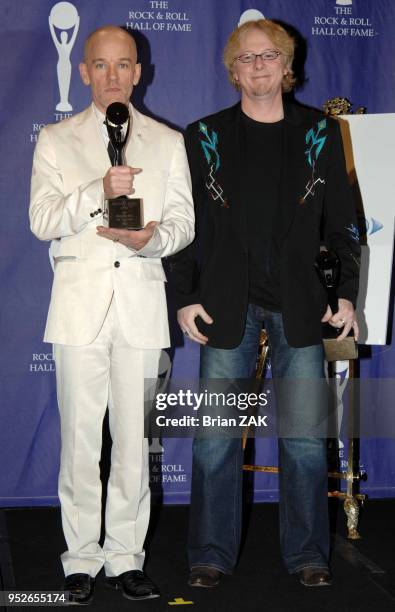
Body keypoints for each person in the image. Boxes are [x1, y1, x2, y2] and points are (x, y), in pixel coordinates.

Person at [168, 19, 360, 588]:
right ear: (232, 70)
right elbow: (184, 226)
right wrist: (184, 296)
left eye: (268, 56)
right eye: (246, 58)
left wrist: (344, 290)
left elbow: (345, 224)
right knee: (214, 443)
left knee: (303, 441)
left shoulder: (321, 134)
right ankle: (208, 554)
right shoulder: (203, 137)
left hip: (303, 306)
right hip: (228, 306)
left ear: (286, 65)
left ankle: (308, 557)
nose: (258, 66)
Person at [30, 25, 194, 605]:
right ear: (83, 72)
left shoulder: (168, 142)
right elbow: (43, 220)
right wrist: (98, 190)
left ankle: (126, 557)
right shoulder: (55, 139)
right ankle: (80, 560)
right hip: (78, 310)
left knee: (133, 442)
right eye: (100, 66)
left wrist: (148, 241)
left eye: (124, 65)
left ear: (139, 72)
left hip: (142, 306)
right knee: (79, 440)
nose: (113, 76)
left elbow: (183, 225)